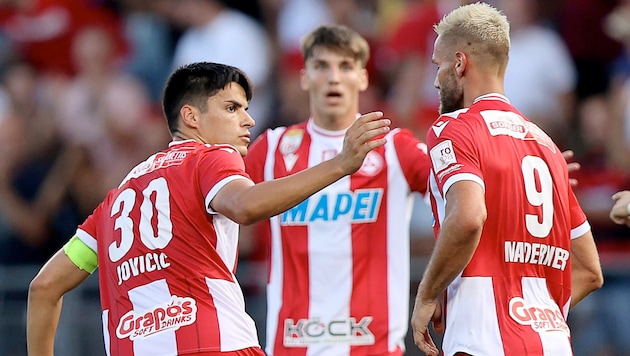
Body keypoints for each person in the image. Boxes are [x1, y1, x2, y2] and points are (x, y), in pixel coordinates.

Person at [26, 61, 391, 356]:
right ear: (191, 117)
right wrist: (340, 164)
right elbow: (244, 206)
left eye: (246, 109)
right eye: (231, 108)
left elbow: (43, 288)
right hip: (216, 344)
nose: (247, 120)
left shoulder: (113, 202)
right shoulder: (209, 158)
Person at [410, 3, 604, 356]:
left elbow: (468, 218)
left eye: (438, 66)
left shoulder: (453, 129)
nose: (436, 80)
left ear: (459, 63)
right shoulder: (546, 147)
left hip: (481, 338)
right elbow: (590, 270)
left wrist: (426, 295)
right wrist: (540, 316)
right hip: (553, 342)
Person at [243, 24, 433, 355]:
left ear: (362, 78)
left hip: (371, 346)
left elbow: (458, 189)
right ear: (304, 78)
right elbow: (223, 206)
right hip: (290, 345)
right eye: (321, 66)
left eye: (345, 67)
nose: (333, 77)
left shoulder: (393, 147)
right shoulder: (271, 148)